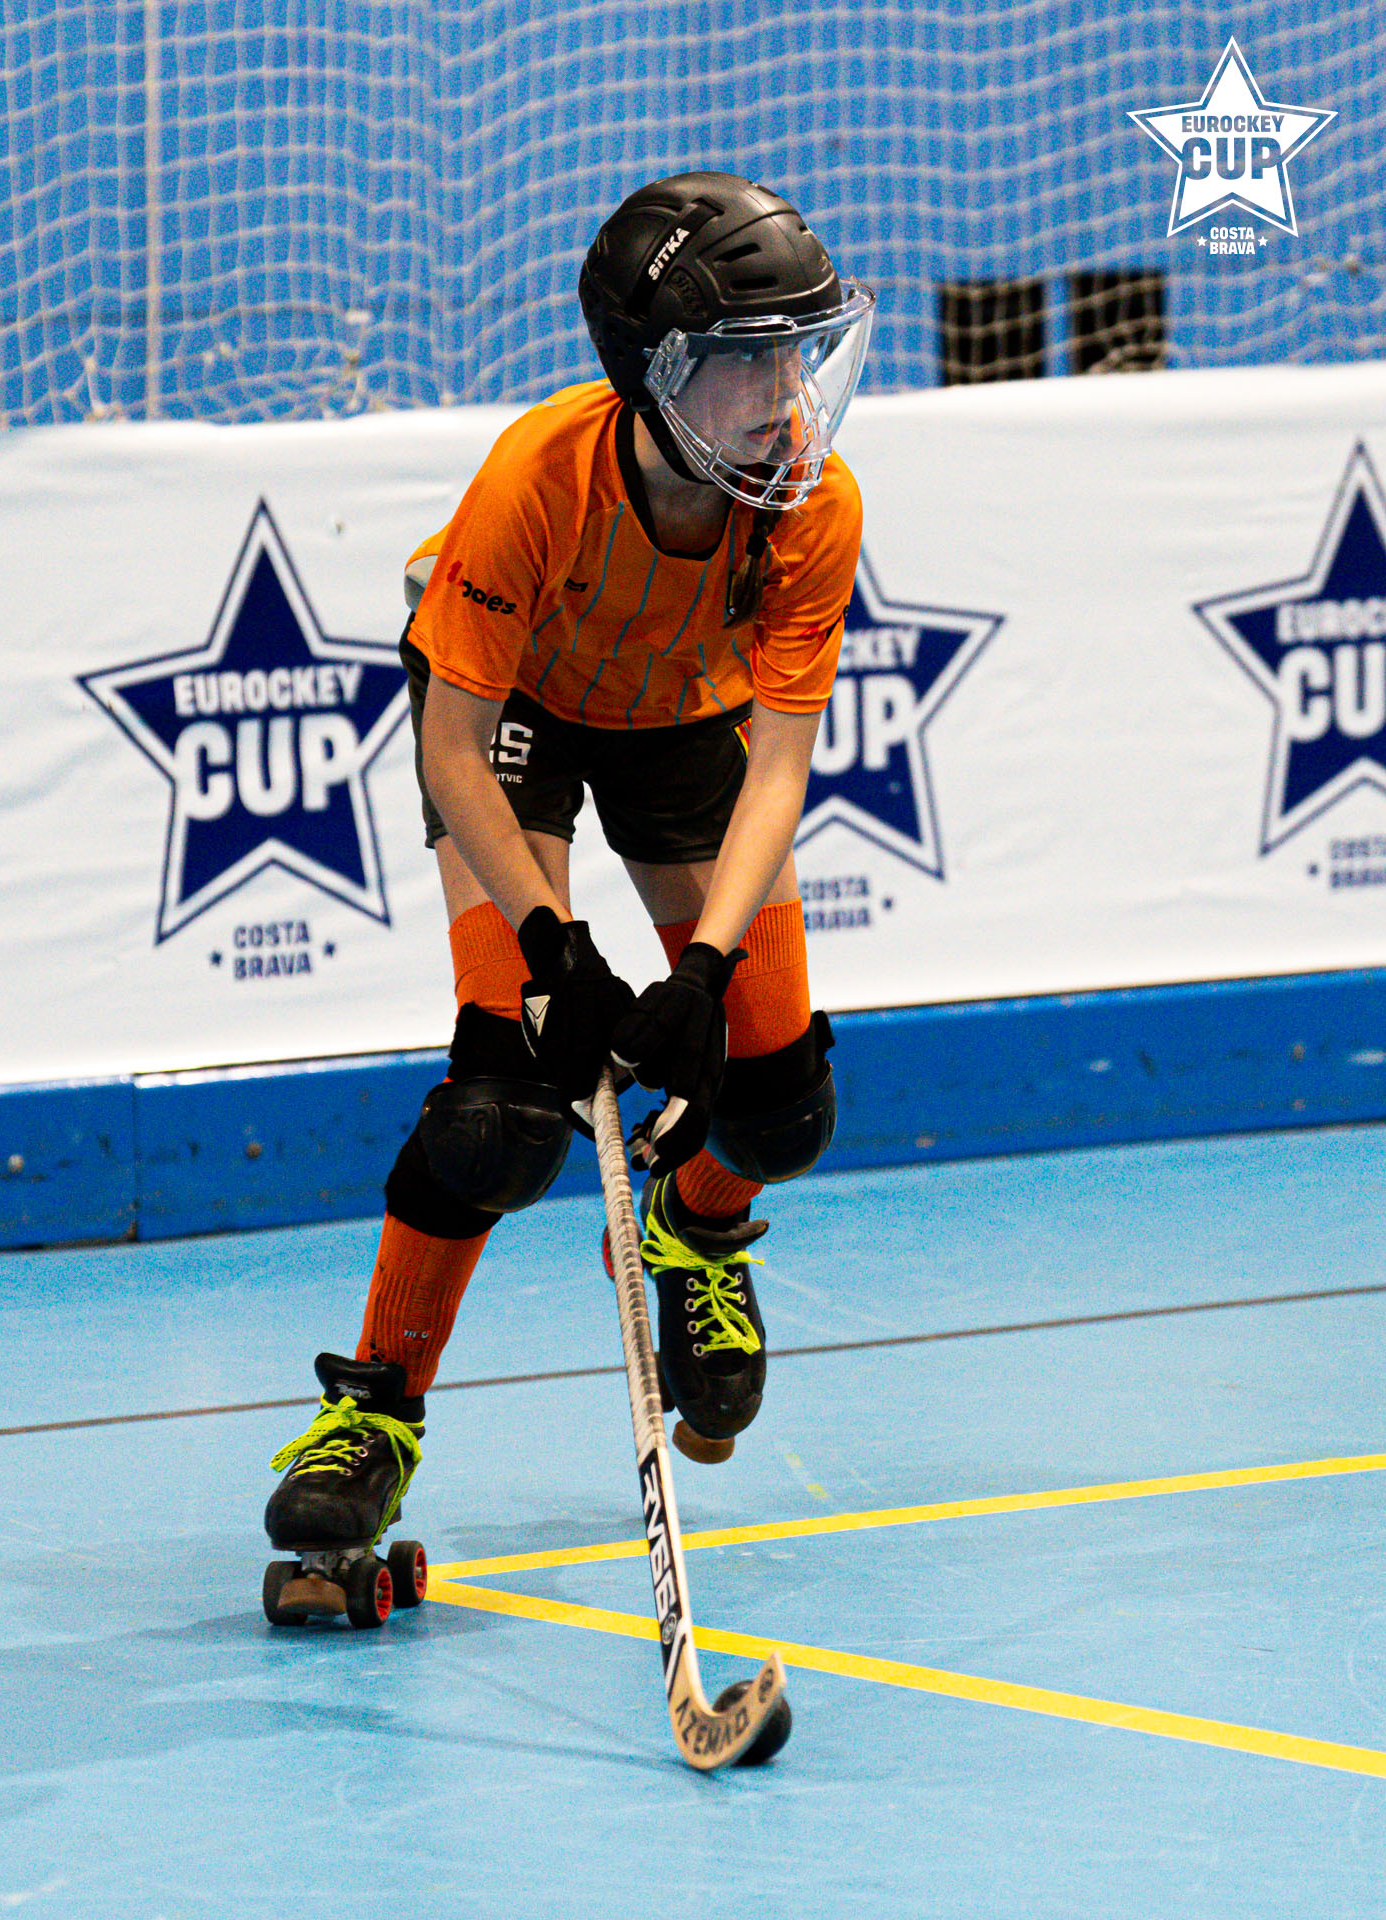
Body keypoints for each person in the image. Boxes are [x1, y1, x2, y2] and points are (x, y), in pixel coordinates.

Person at [263, 171, 874, 1603]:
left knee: (780, 1104)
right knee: (503, 1112)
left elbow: (781, 768)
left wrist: (701, 976)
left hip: (682, 717)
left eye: (798, 353)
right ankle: (374, 1415)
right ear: (655, 372)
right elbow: (452, 747)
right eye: (746, 361)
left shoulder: (810, 499)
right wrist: (556, 950)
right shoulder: (538, 478)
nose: (785, 394)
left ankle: (690, 1228)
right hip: (516, 720)